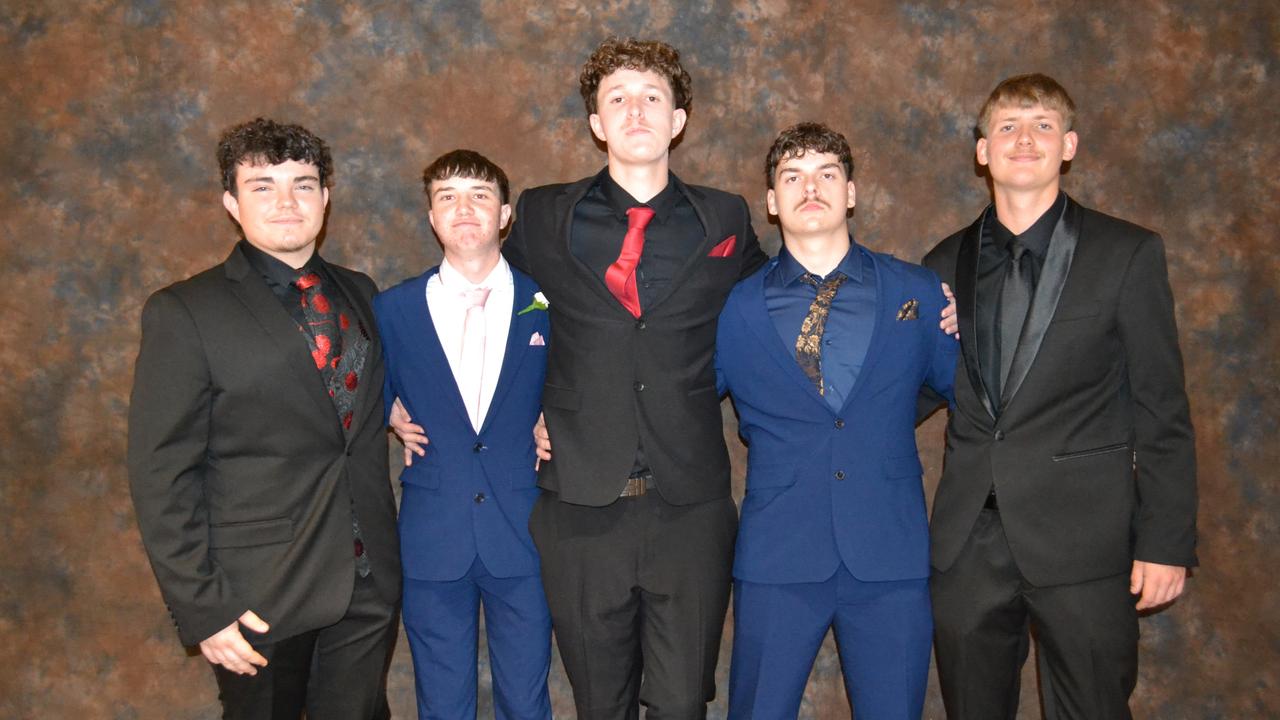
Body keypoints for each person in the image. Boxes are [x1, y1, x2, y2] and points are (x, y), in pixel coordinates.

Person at [502, 36, 765, 719]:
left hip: (691, 505)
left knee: (682, 704)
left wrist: (909, 312)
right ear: (596, 122)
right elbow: (496, 311)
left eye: (653, 97)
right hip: (579, 505)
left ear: (678, 119)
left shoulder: (726, 217)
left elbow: (777, 307)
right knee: (601, 704)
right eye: (616, 99)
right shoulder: (541, 215)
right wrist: (517, 408)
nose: (635, 110)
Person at [921, 74, 1198, 719]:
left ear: (1068, 146)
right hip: (968, 545)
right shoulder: (940, 265)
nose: (1025, 139)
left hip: (1087, 540)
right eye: (1008, 127)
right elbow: (908, 393)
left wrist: (1166, 540)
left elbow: (1163, 407)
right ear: (982, 150)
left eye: (1043, 125)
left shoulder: (1127, 254)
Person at [127, 117, 400, 719]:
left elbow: (350, 411)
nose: (285, 202)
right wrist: (202, 607)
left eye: (303, 184)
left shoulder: (360, 291)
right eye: (262, 186)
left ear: (325, 199)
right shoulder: (185, 311)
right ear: (231, 202)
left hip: (367, 579)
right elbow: (159, 474)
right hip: (257, 594)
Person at [717, 122, 958, 719]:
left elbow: (977, 404)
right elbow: (679, 406)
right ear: (771, 202)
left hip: (890, 555)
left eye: (827, 173)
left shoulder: (921, 293)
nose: (811, 187)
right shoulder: (735, 308)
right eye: (791, 177)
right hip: (777, 555)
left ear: (850, 192)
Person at [373, 150, 552, 719]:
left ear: (504, 214)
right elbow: (349, 390)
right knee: (442, 701)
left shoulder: (548, 304)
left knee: (526, 699)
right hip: (433, 534)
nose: (464, 207)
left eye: (479, 194)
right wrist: (385, 411)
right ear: (431, 217)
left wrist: (561, 419)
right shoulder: (391, 309)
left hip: (524, 531)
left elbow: (584, 384)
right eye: (447, 197)